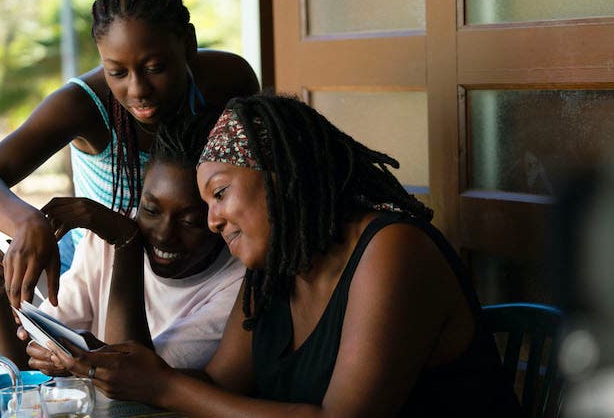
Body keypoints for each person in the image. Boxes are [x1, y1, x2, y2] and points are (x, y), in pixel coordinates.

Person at [44, 94, 523, 416]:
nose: (213, 221)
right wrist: (127, 372)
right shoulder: (275, 269)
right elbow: (220, 387)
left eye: (220, 193)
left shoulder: (394, 251)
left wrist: (164, 387)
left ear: (281, 178)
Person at [0, 0, 259, 310]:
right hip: (99, 285)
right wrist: (26, 222)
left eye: (155, 68)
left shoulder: (228, 79)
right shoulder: (83, 105)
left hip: (202, 275)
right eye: (117, 73)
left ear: (188, 42)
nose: (138, 90)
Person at [0, 110, 246, 371]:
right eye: (150, 209)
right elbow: (25, 359)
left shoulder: (236, 285)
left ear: (217, 218)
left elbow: (137, 381)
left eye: (190, 221)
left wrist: (128, 244)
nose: (163, 233)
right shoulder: (108, 239)